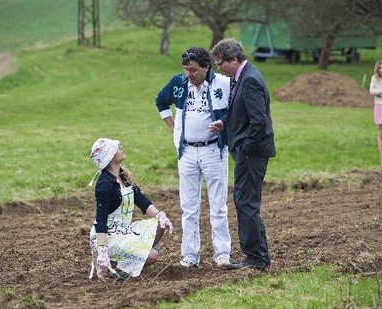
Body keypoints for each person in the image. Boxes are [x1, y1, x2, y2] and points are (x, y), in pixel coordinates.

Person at [155, 47, 232, 268]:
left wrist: (223, 123)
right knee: (188, 206)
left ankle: (222, 254)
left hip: (212, 150)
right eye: (187, 69)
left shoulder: (222, 84)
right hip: (186, 151)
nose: (189, 74)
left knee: (218, 205)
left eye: (194, 70)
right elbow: (160, 101)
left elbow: (235, 109)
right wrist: (173, 127)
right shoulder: (178, 83)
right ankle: (189, 254)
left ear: (206, 67)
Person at [209, 39, 276, 270]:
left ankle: (256, 258)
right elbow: (243, 113)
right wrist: (225, 124)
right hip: (248, 152)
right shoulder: (242, 78)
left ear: (234, 59)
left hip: (251, 154)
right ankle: (258, 256)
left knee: (246, 202)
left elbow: (259, 122)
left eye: (220, 63)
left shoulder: (249, 81)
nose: (219, 68)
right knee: (245, 201)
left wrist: (245, 149)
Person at [87, 137, 174, 281]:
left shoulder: (122, 175)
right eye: (116, 148)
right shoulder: (104, 184)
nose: (120, 148)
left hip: (125, 231)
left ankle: (131, 259)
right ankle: (111, 262)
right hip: (109, 236)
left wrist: (160, 215)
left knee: (160, 224)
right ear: (109, 157)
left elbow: (141, 200)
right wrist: (102, 250)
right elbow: (100, 221)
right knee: (152, 256)